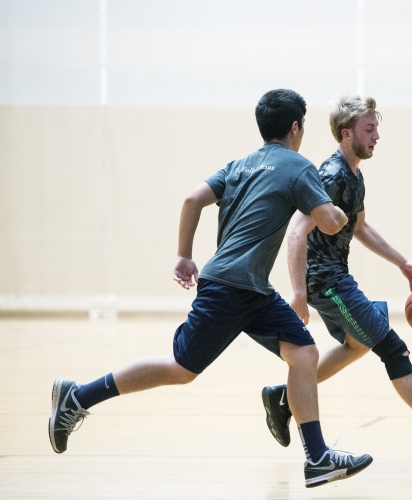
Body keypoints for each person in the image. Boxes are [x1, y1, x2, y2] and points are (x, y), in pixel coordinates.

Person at [48, 89, 373, 489]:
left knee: (304, 353)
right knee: (181, 369)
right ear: (296, 127)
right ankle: (78, 397)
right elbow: (328, 222)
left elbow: (191, 199)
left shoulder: (240, 165)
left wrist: (184, 255)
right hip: (232, 287)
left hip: (251, 288)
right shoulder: (299, 167)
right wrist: (339, 212)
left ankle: (317, 458)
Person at [260, 95, 412, 467]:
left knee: (357, 345)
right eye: (369, 129)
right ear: (346, 132)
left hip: (338, 277)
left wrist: (403, 263)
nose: (376, 136)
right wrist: (299, 293)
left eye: (376, 128)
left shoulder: (354, 176)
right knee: (392, 347)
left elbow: (360, 227)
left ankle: (284, 399)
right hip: (326, 282)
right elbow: (295, 234)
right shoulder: (331, 175)